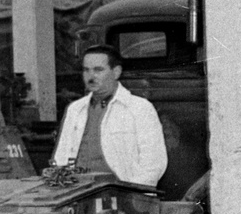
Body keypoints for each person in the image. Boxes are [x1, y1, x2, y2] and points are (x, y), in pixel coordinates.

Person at [51, 44, 167, 186]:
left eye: (98, 70)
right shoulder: (75, 109)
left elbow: (154, 164)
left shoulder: (139, 108)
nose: (90, 77)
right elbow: (61, 158)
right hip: (77, 192)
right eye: (86, 70)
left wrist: (132, 196)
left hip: (121, 193)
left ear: (116, 72)